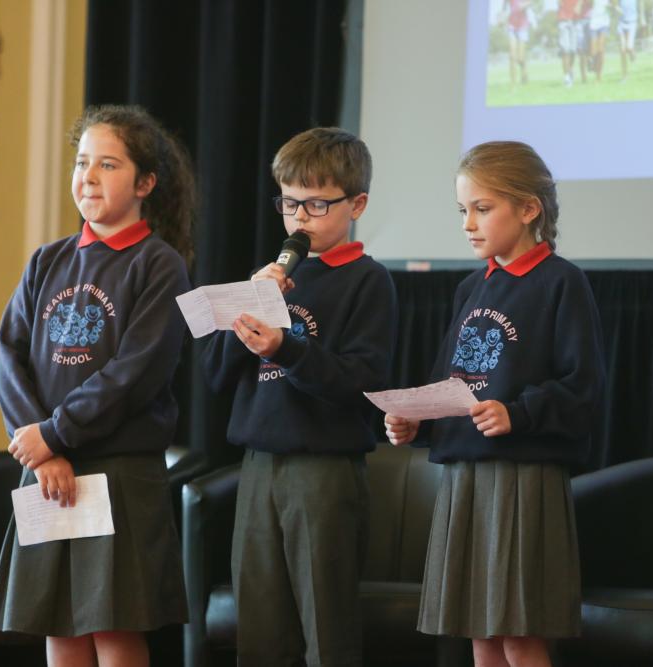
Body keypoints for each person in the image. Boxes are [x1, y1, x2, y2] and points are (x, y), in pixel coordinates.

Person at [0, 104, 194, 667]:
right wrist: (40, 446)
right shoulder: (46, 260)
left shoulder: (159, 265)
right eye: (82, 163)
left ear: (145, 183)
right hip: (48, 466)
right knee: (59, 622)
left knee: (112, 625)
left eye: (108, 164)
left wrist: (56, 434)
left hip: (117, 470)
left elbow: (135, 372)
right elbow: (9, 356)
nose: (89, 176)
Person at [385, 141, 605, 667]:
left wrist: (517, 413)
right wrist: (418, 420)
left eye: (482, 209)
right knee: (479, 632)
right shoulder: (471, 287)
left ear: (529, 209)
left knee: (519, 636)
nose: (468, 224)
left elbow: (583, 387)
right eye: (463, 210)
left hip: (521, 478)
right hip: (466, 476)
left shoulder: (561, 282)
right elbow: (453, 380)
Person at [202, 127, 398, 666]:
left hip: (323, 471)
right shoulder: (272, 280)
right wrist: (249, 304)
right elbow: (216, 376)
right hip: (259, 464)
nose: (299, 219)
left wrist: (286, 348)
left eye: (316, 204)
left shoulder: (367, 281)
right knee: (260, 632)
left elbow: (361, 382)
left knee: (325, 629)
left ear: (356, 204)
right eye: (289, 203)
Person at [501, 0, 535, 85]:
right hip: (511, 26)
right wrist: (501, 18)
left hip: (523, 26)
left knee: (520, 58)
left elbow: (531, 2)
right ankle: (513, 83)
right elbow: (504, 7)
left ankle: (524, 72)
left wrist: (525, 4)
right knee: (512, 56)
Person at [615, 0, 638, 81]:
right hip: (621, 23)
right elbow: (614, 5)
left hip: (632, 23)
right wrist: (616, 8)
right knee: (622, 50)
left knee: (629, 47)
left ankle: (632, 53)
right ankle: (624, 75)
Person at [589, 0, 612, 81]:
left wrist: (610, 6)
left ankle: (598, 76)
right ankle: (593, 64)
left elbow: (613, 4)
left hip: (604, 23)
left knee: (601, 50)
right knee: (593, 52)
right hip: (594, 22)